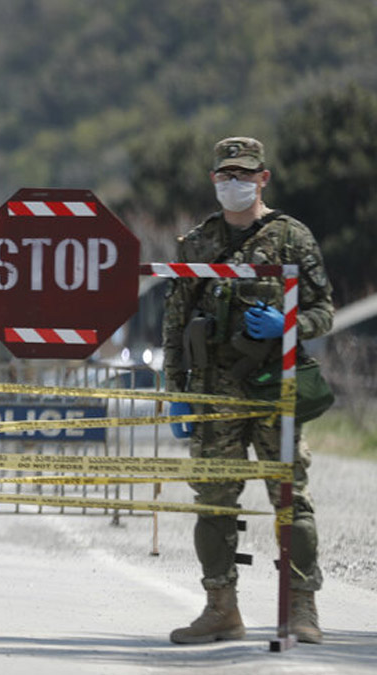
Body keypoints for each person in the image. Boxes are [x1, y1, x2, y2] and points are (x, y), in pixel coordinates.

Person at [162, 137, 334, 644]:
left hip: (272, 390)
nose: (233, 183)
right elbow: (174, 325)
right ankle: (221, 608)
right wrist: (176, 391)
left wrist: (285, 324)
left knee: (290, 499)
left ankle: (302, 609)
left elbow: (324, 311)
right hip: (215, 394)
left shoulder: (291, 238)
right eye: (224, 175)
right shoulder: (196, 243)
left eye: (243, 174)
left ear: (264, 178)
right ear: (214, 179)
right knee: (214, 500)